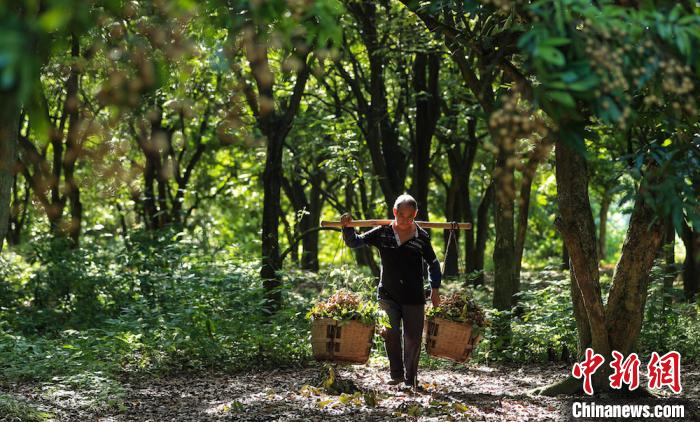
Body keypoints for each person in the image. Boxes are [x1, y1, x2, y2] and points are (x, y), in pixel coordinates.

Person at [340, 194, 441, 388]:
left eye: (410, 216)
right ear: (394, 212)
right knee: (390, 333)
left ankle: (410, 380)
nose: (405, 220)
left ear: (415, 214)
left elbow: (433, 264)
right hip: (387, 294)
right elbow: (355, 242)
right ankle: (396, 374)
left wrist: (434, 288)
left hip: (414, 296)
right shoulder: (382, 233)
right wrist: (347, 226)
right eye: (401, 215)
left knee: (412, 339)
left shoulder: (421, 237)